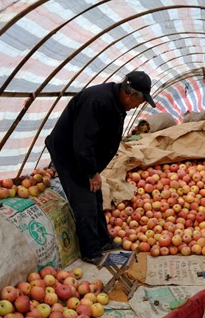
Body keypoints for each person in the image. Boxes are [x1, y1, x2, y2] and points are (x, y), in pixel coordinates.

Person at [45, 71, 156, 264]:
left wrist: (95, 170)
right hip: (69, 153)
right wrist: (90, 172)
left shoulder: (117, 103)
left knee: (96, 196)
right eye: (140, 101)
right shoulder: (98, 101)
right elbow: (83, 142)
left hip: (85, 155)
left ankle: (103, 242)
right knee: (84, 201)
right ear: (130, 94)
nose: (139, 105)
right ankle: (91, 252)